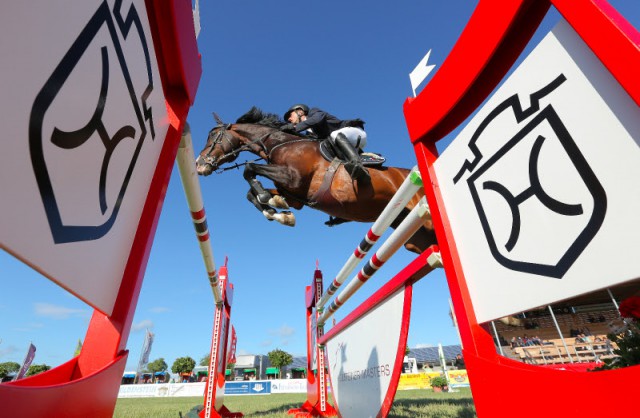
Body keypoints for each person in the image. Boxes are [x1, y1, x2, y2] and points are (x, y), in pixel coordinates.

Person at [281, 104, 370, 182]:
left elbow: (316, 120)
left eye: (290, 115)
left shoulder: (314, 112)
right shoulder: (310, 133)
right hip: (346, 145)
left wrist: (294, 127)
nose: (289, 119)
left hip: (356, 134)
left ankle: (358, 165)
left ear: (300, 112)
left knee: (334, 134)